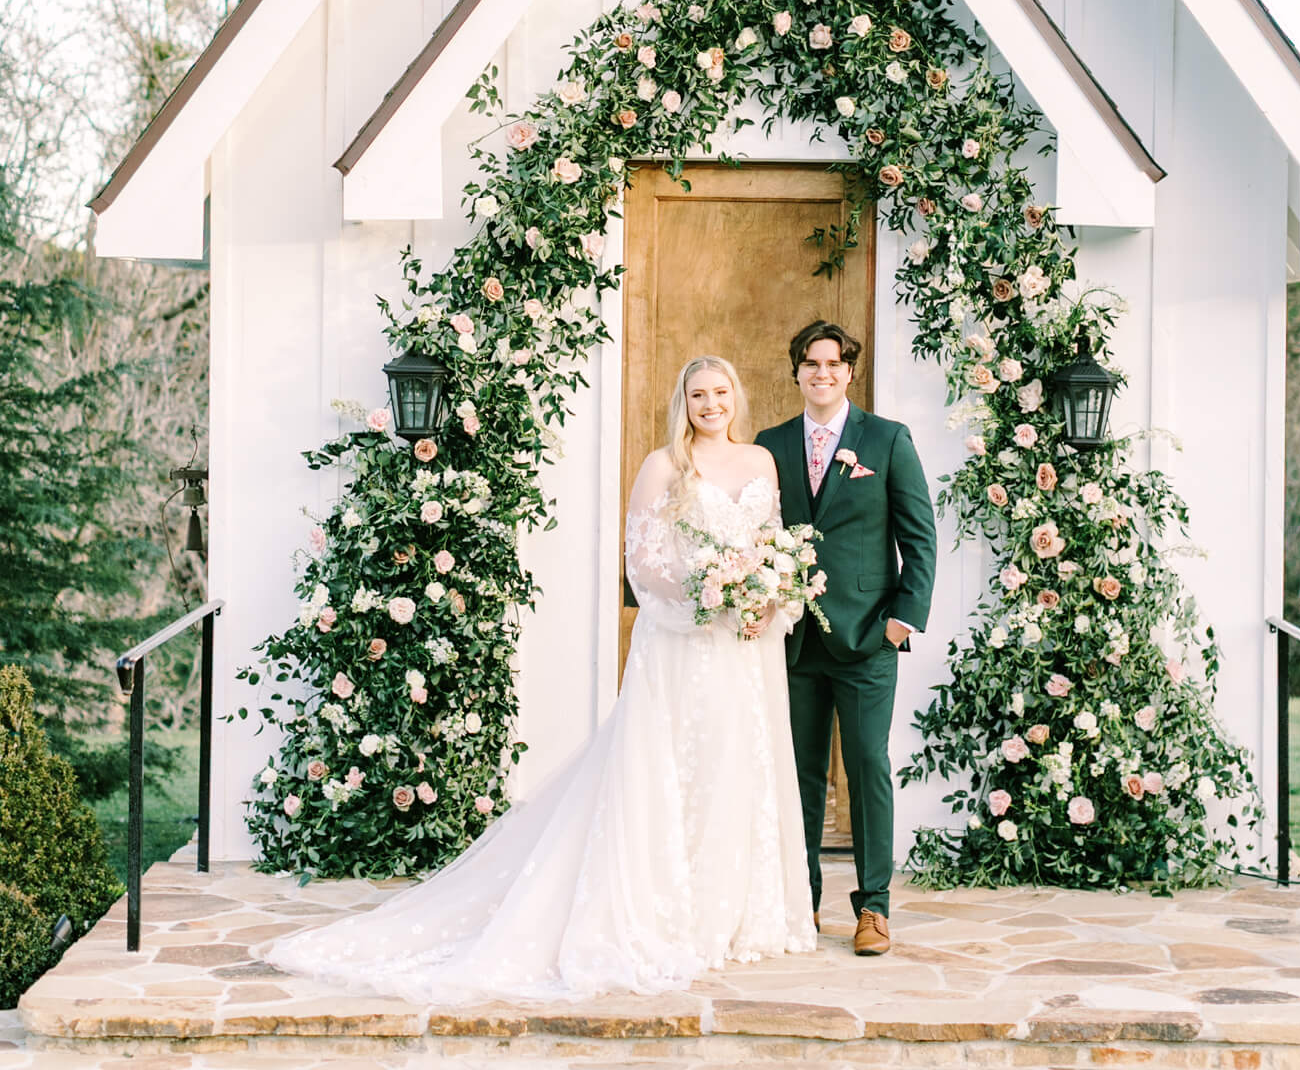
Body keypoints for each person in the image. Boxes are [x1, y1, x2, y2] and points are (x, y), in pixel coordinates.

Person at [263, 356, 815, 1002]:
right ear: (683, 401)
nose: (712, 403)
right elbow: (645, 564)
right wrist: (710, 596)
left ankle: (733, 914)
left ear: (736, 397)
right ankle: (678, 915)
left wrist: (767, 599)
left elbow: (776, 548)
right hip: (686, 646)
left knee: (736, 767)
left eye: (721, 392)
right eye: (699, 394)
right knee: (677, 768)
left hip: (746, 650)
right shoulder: (664, 466)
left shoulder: (760, 463)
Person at [756, 320, 937, 958]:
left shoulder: (886, 440)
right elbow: (756, 534)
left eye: (833, 364)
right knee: (798, 777)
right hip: (794, 639)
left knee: (867, 770)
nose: (822, 373)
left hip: (867, 638)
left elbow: (919, 537)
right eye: (811, 363)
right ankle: (798, 905)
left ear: (849, 372)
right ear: (797, 371)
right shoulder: (769, 445)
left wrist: (900, 620)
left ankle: (875, 909)